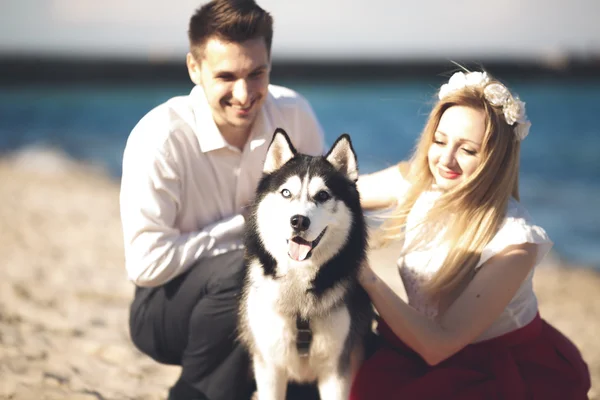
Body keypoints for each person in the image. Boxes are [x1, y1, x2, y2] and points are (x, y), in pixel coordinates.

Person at [119, 1, 325, 399]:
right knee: (247, 272)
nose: (245, 94)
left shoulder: (295, 115)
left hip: (277, 296)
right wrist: (246, 231)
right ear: (194, 69)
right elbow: (147, 265)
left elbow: (324, 207)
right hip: (165, 311)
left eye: (257, 73)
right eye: (226, 76)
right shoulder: (160, 138)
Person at [352, 70, 591, 399]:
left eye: (468, 150)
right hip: (413, 341)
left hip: (492, 367)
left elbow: (440, 344)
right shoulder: (415, 183)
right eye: (440, 141)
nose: (446, 159)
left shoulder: (515, 242)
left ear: (495, 159)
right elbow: (330, 194)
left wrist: (365, 276)